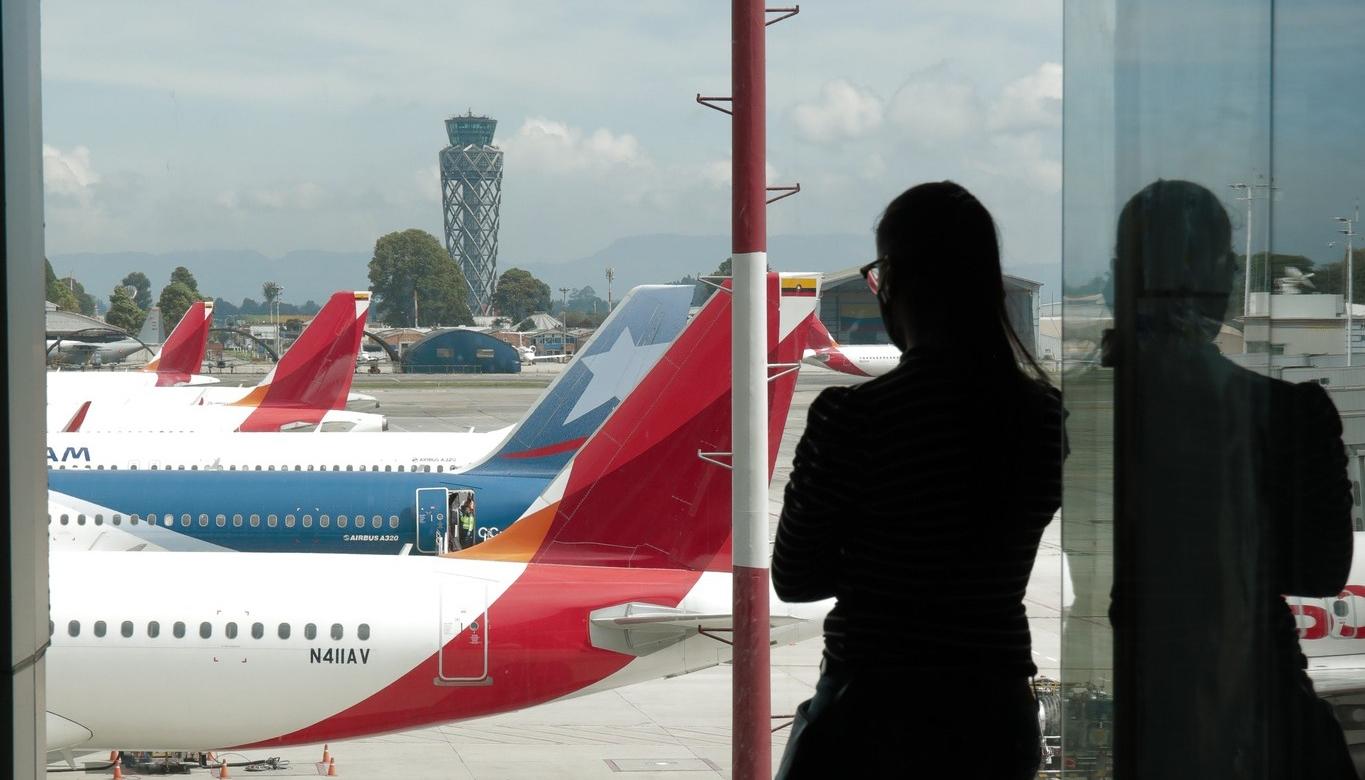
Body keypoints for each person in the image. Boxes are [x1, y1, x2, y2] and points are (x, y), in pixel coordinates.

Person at [773, 181, 1063, 779]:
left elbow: (795, 578)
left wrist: (882, 559)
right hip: (994, 711)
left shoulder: (852, 417)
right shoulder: (1043, 418)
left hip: (875, 710)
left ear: (896, 280)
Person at [1103, 180, 1354, 778]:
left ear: (1120, 278)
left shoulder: (1087, 415)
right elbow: (1321, 570)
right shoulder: (1290, 413)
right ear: (1226, 279)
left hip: (1147, 706)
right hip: (1262, 704)